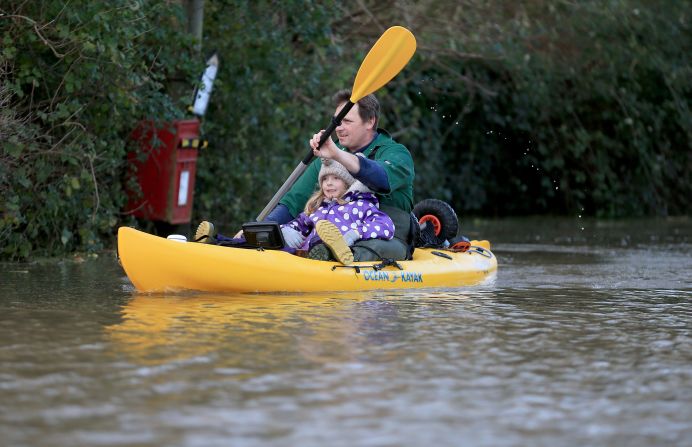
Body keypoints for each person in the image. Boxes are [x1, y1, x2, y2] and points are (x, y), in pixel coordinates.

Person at [265, 89, 415, 261]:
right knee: (285, 236)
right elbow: (294, 200)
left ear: (370, 121)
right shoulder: (330, 155)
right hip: (327, 241)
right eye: (336, 122)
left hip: (385, 236)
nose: (338, 128)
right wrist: (262, 229)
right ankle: (323, 254)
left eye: (346, 121)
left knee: (368, 247)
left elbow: (381, 179)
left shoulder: (396, 153)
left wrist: (336, 154)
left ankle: (334, 257)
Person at [195, 159, 395, 265]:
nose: (329, 183)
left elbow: (386, 226)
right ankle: (218, 243)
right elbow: (297, 225)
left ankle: (328, 248)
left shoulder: (361, 205)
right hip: (301, 253)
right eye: (325, 180)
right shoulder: (318, 208)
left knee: (320, 245)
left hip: (328, 254)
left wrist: (354, 235)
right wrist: (275, 231)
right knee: (277, 238)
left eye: (335, 179)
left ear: (348, 183)